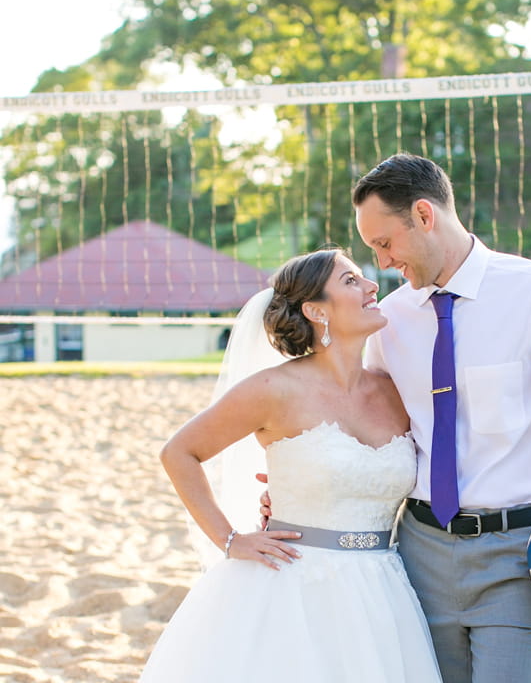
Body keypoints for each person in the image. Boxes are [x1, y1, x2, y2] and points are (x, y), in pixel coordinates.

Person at [264, 154, 531, 683]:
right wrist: (301, 485)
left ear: (424, 216)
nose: (381, 263)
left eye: (384, 243)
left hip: (520, 554)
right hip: (417, 554)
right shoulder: (389, 320)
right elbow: (370, 423)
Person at [140, 248, 443, 683]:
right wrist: (230, 541)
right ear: (316, 310)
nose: (372, 286)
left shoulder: (395, 390)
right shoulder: (272, 389)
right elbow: (179, 453)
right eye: (351, 281)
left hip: (382, 587)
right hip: (290, 585)